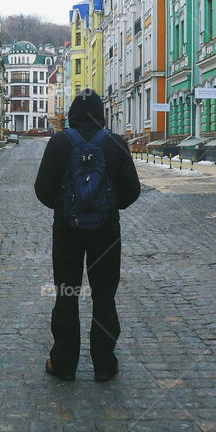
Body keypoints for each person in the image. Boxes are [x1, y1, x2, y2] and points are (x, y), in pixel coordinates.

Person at [34, 89, 141, 381]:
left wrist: (65, 209)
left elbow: (42, 188)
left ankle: (63, 363)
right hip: (106, 234)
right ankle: (105, 365)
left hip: (67, 232)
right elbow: (132, 190)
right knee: (104, 297)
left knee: (66, 295)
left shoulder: (58, 143)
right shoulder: (116, 143)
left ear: (72, 114)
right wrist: (107, 208)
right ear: (101, 114)